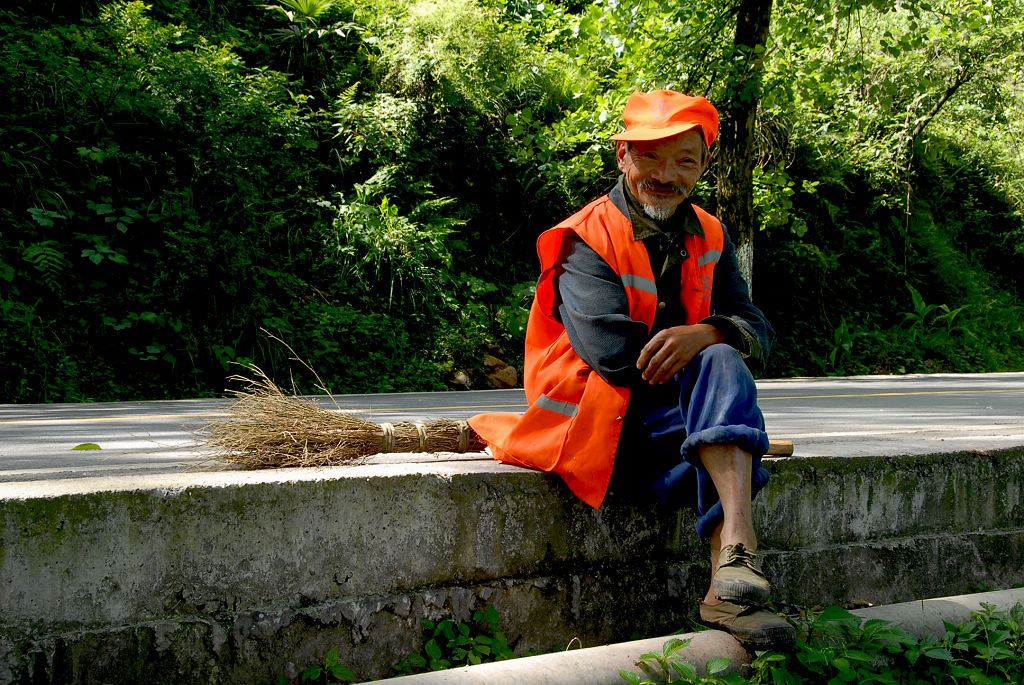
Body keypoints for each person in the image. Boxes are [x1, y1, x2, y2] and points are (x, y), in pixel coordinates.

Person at [468, 90, 793, 650]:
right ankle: (733, 571)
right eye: (650, 156)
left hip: (666, 427)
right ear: (622, 156)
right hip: (597, 430)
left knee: (719, 363)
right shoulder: (584, 238)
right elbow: (614, 355)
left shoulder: (711, 234)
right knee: (722, 419)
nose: (666, 174)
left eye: (684, 159)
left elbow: (757, 329)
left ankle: (732, 572)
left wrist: (707, 331)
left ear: (704, 166)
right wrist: (708, 370)